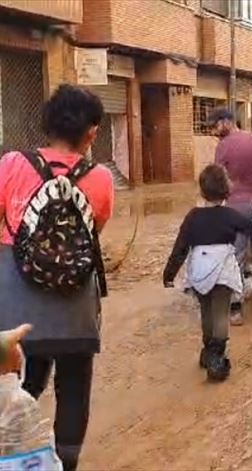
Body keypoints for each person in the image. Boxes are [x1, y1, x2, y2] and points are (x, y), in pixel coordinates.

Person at [0, 84, 115, 471]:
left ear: (47, 123)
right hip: (74, 306)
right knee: (74, 387)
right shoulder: (101, 178)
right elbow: (93, 233)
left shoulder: (11, 164)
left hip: (15, 302)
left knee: (13, 382)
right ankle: (65, 464)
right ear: (91, 133)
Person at [163, 164, 252, 381]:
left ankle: (207, 352)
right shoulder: (229, 215)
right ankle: (217, 358)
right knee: (221, 313)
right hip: (222, 270)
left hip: (199, 269)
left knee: (206, 311)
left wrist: (169, 273)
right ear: (226, 189)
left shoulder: (192, 216)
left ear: (202, 190)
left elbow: (180, 247)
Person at [210, 108, 252, 325]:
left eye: (215, 126)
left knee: (236, 256)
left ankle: (236, 309)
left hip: (236, 207)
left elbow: (218, 180)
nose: (213, 132)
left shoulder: (223, 147)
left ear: (227, 122)